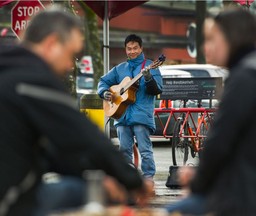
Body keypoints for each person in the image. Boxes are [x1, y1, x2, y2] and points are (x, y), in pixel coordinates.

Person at [0, 7, 153, 216]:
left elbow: (50, 151)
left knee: (83, 185)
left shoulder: (10, 68)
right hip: (9, 201)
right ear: (52, 44)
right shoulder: (31, 78)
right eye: (71, 54)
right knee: (98, 194)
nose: (70, 66)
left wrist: (90, 174)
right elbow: (83, 136)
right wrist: (132, 180)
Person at [167, 9, 256, 216]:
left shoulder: (245, 79)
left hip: (255, 199)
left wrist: (196, 183)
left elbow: (219, 144)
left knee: (175, 210)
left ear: (231, 39)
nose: (206, 47)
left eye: (212, 39)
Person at [97, 34, 163, 180]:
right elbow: (103, 81)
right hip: (121, 116)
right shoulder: (120, 69)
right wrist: (104, 92)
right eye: (129, 48)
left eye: (135, 48)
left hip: (141, 115)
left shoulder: (151, 66)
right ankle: (128, 180)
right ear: (125, 50)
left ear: (141, 48)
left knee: (145, 150)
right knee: (124, 151)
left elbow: (157, 90)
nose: (132, 51)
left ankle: (148, 179)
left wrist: (148, 77)